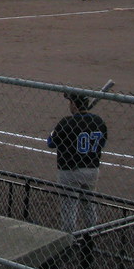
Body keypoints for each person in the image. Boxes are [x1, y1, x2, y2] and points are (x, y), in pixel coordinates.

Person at [47, 92, 108, 232]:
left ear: (74, 105)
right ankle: (90, 237)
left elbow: (50, 143)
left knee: (69, 208)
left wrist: (54, 132)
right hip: (92, 170)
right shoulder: (99, 122)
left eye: (70, 102)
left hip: (70, 170)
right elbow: (102, 144)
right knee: (89, 206)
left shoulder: (66, 122)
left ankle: (69, 240)